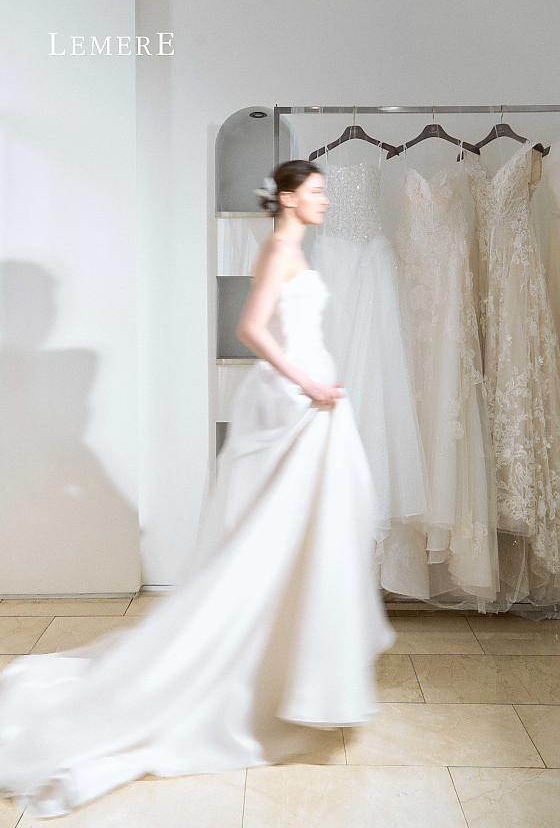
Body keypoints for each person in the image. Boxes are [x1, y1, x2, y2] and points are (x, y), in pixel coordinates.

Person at [0, 160, 395, 819]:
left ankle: (290, 663)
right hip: (295, 400)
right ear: (288, 198)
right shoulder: (278, 250)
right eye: (317, 191)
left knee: (310, 533)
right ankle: (259, 669)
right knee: (274, 539)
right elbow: (251, 329)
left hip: (310, 399)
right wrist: (307, 382)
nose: (325, 199)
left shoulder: (292, 248)